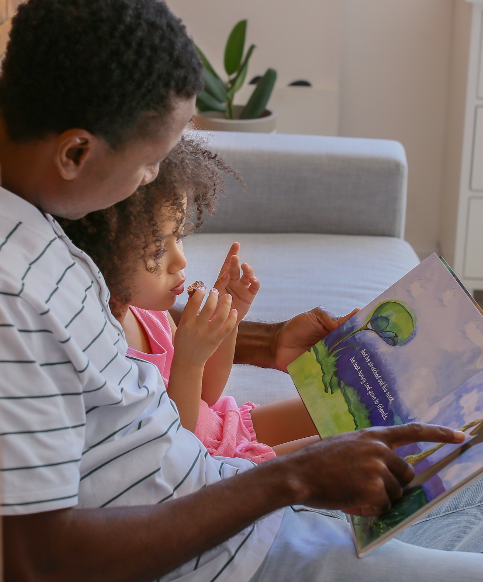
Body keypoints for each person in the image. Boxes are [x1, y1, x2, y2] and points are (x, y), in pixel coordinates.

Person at [0, 0, 483, 582]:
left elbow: (129, 344)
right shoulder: (2, 286)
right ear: (74, 152)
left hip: (228, 504)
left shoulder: (12, 201)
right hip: (232, 552)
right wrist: (294, 478)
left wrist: (264, 343)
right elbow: (40, 559)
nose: (149, 179)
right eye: (150, 162)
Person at [57, 135, 322, 464]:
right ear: (100, 257)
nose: (180, 260)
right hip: (208, 465)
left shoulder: (149, 314)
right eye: (157, 251)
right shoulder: (106, 350)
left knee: (339, 408)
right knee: (348, 446)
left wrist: (227, 320)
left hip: (223, 430)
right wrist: (189, 360)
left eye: (179, 236)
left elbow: (206, 396)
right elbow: (174, 447)